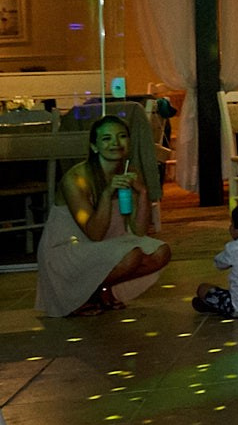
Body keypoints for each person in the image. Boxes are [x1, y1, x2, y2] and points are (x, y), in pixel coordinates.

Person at [36, 114, 168, 317]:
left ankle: (101, 289)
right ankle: (84, 294)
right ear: (94, 146)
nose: (115, 143)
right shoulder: (77, 179)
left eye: (122, 136)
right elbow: (94, 233)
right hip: (70, 249)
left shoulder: (129, 172)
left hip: (106, 245)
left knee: (161, 252)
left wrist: (142, 193)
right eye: (106, 138)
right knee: (132, 255)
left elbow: (139, 231)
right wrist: (107, 193)